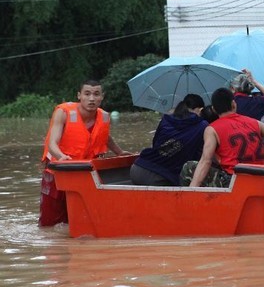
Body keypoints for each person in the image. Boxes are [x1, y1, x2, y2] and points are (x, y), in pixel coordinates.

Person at [40, 79, 131, 226]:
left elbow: (103, 136)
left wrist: (119, 152)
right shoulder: (63, 113)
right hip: (59, 171)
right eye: (87, 94)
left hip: (85, 173)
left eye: (96, 94)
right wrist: (61, 156)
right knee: (49, 222)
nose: (92, 98)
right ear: (79, 96)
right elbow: (52, 143)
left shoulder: (104, 116)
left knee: (83, 219)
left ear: (102, 97)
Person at [130, 94, 208, 186]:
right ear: (200, 109)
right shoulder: (202, 125)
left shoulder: (166, 119)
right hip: (160, 177)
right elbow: (201, 156)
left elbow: (156, 143)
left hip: (137, 167)